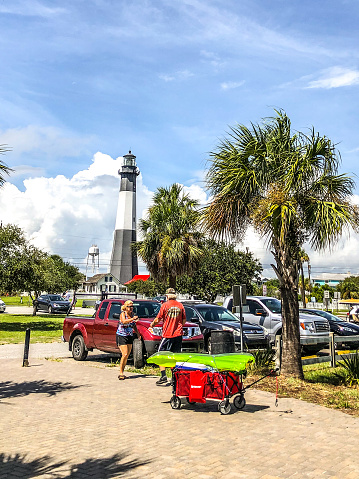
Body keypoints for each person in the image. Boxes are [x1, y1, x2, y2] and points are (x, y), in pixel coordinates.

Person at [150, 288, 186, 385]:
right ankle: (174, 378)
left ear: (167, 296)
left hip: (167, 334)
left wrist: (152, 325)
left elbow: (158, 319)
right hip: (178, 334)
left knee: (161, 354)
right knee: (175, 356)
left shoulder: (165, 305)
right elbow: (183, 320)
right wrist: (178, 326)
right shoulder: (180, 305)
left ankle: (163, 375)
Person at [116, 300, 140, 380]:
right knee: (125, 354)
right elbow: (124, 321)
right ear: (126, 307)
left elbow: (134, 325)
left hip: (129, 335)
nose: (131, 308)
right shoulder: (123, 314)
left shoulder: (132, 314)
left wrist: (137, 333)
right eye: (129, 306)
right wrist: (132, 319)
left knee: (127, 355)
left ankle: (123, 370)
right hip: (121, 335)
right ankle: (121, 373)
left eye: (132, 306)